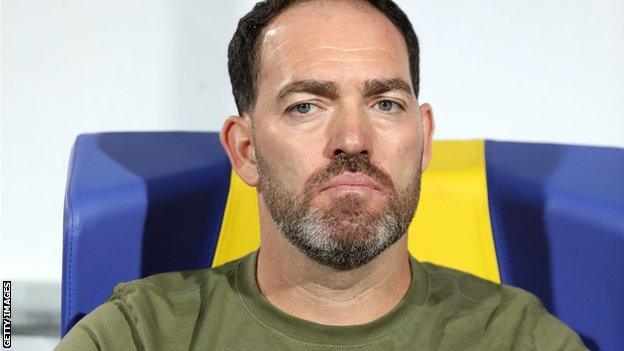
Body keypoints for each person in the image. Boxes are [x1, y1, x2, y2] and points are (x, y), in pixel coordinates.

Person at [56, 0, 587, 349]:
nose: (352, 140)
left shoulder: (521, 339)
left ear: (423, 138)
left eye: (385, 103)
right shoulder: (139, 336)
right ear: (245, 150)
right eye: (306, 106)